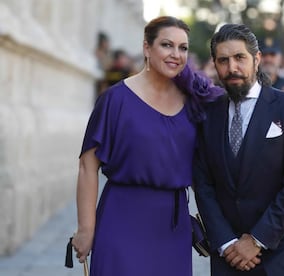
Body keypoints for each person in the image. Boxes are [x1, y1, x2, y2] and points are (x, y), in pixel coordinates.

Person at [71, 16, 222, 276]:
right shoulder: (115, 99)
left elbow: (202, 170)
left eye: (183, 47)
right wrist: (86, 228)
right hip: (122, 218)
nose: (176, 54)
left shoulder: (194, 102)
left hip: (173, 228)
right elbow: (87, 166)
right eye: (167, 45)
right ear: (146, 48)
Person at [193, 24, 284, 275]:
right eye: (223, 60)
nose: (232, 67)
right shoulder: (208, 114)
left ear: (256, 59)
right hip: (227, 256)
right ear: (215, 65)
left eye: (240, 58)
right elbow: (203, 184)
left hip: (280, 253)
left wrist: (256, 239)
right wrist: (226, 242)